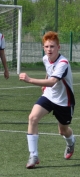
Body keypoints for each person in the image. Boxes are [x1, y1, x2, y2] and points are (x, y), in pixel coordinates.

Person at [19, 31, 76, 169]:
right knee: (32, 117)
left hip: (64, 101)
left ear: (58, 47)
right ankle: (33, 155)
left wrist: (30, 80)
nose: (49, 49)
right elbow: (49, 73)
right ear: (43, 47)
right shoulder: (46, 58)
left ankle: (71, 142)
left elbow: (52, 81)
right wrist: (44, 85)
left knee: (63, 130)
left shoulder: (63, 63)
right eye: (46, 46)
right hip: (49, 96)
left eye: (52, 46)